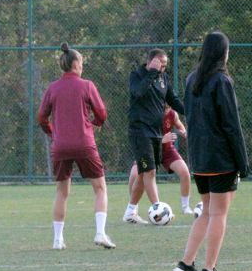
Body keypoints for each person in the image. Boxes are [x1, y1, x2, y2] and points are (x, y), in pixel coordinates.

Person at [172, 31, 247, 271]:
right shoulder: (221, 81)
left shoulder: (192, 79)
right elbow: (231, 125)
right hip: (220, 158)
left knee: (206, 212)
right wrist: (242, 161)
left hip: (200, 158)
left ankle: (186, 263)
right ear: (222, 53)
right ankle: (209, 269)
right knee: (218, 215)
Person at [37, 43, 114, 250]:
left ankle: (57, 240)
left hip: (60, 146)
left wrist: (53, 132)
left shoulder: (53, 88)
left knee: (62, 192)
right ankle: (100, 233)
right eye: (81, 62)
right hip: (84, 143)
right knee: (99, 188)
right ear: (75, 64)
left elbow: (41, 117)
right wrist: (94, 124)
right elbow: (102, 113)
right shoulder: (86, 85)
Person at [123, 48, 185, 224]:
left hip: (156, 133)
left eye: (165, 66)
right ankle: (159, 210)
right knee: (149, 171)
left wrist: (192, 111)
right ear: (150, 62)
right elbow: (138, 92)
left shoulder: (164, 78)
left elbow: (173, 100)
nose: (162, 69)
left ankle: (130, 212)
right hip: (139, 133)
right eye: (160, 65)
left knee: (144, 175)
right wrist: (151, 73)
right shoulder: (137, 75)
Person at [126, 108, 198, 215]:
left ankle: (185, 207)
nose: (167, 106)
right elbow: (145, 135)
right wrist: (162, 139)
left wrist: (183, 132)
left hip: (167, 150)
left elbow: (179, 125)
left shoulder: (172, 114)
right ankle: (133, 208)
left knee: (185, 172)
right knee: (134, 174)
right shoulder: (149, 114)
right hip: (150, 149)